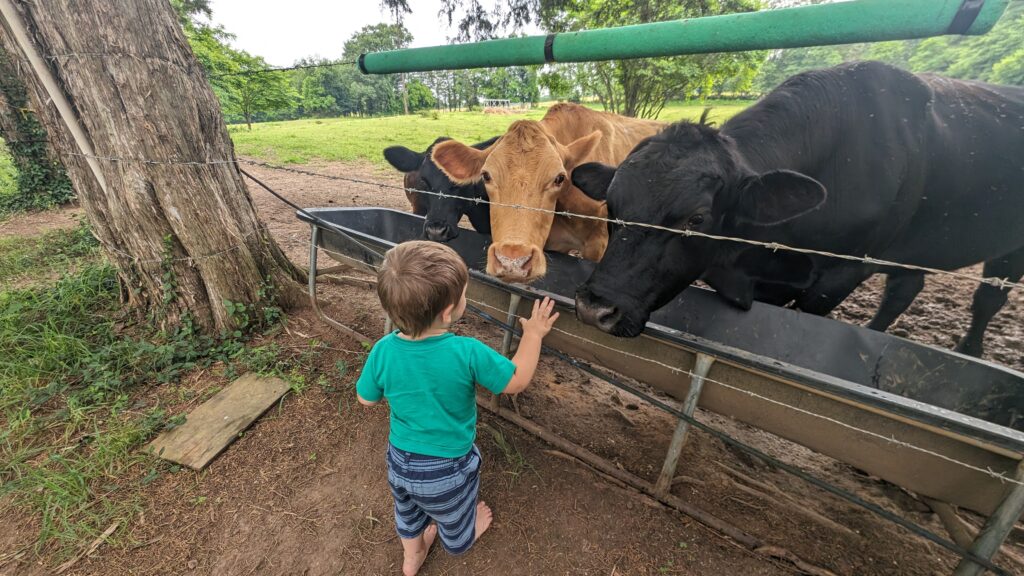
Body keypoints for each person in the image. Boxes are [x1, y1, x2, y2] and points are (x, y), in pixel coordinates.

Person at [356, 240, 559, 576]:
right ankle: (462, 537)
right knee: (454, 515)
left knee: (406, 512)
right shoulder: (466, 352)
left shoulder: (382, 350)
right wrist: (534, 334)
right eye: (464, 294)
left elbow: (366, 399)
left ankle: (412, 557)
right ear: (449, 311)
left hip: (399, 460)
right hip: (446, 469)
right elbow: (517, 380)